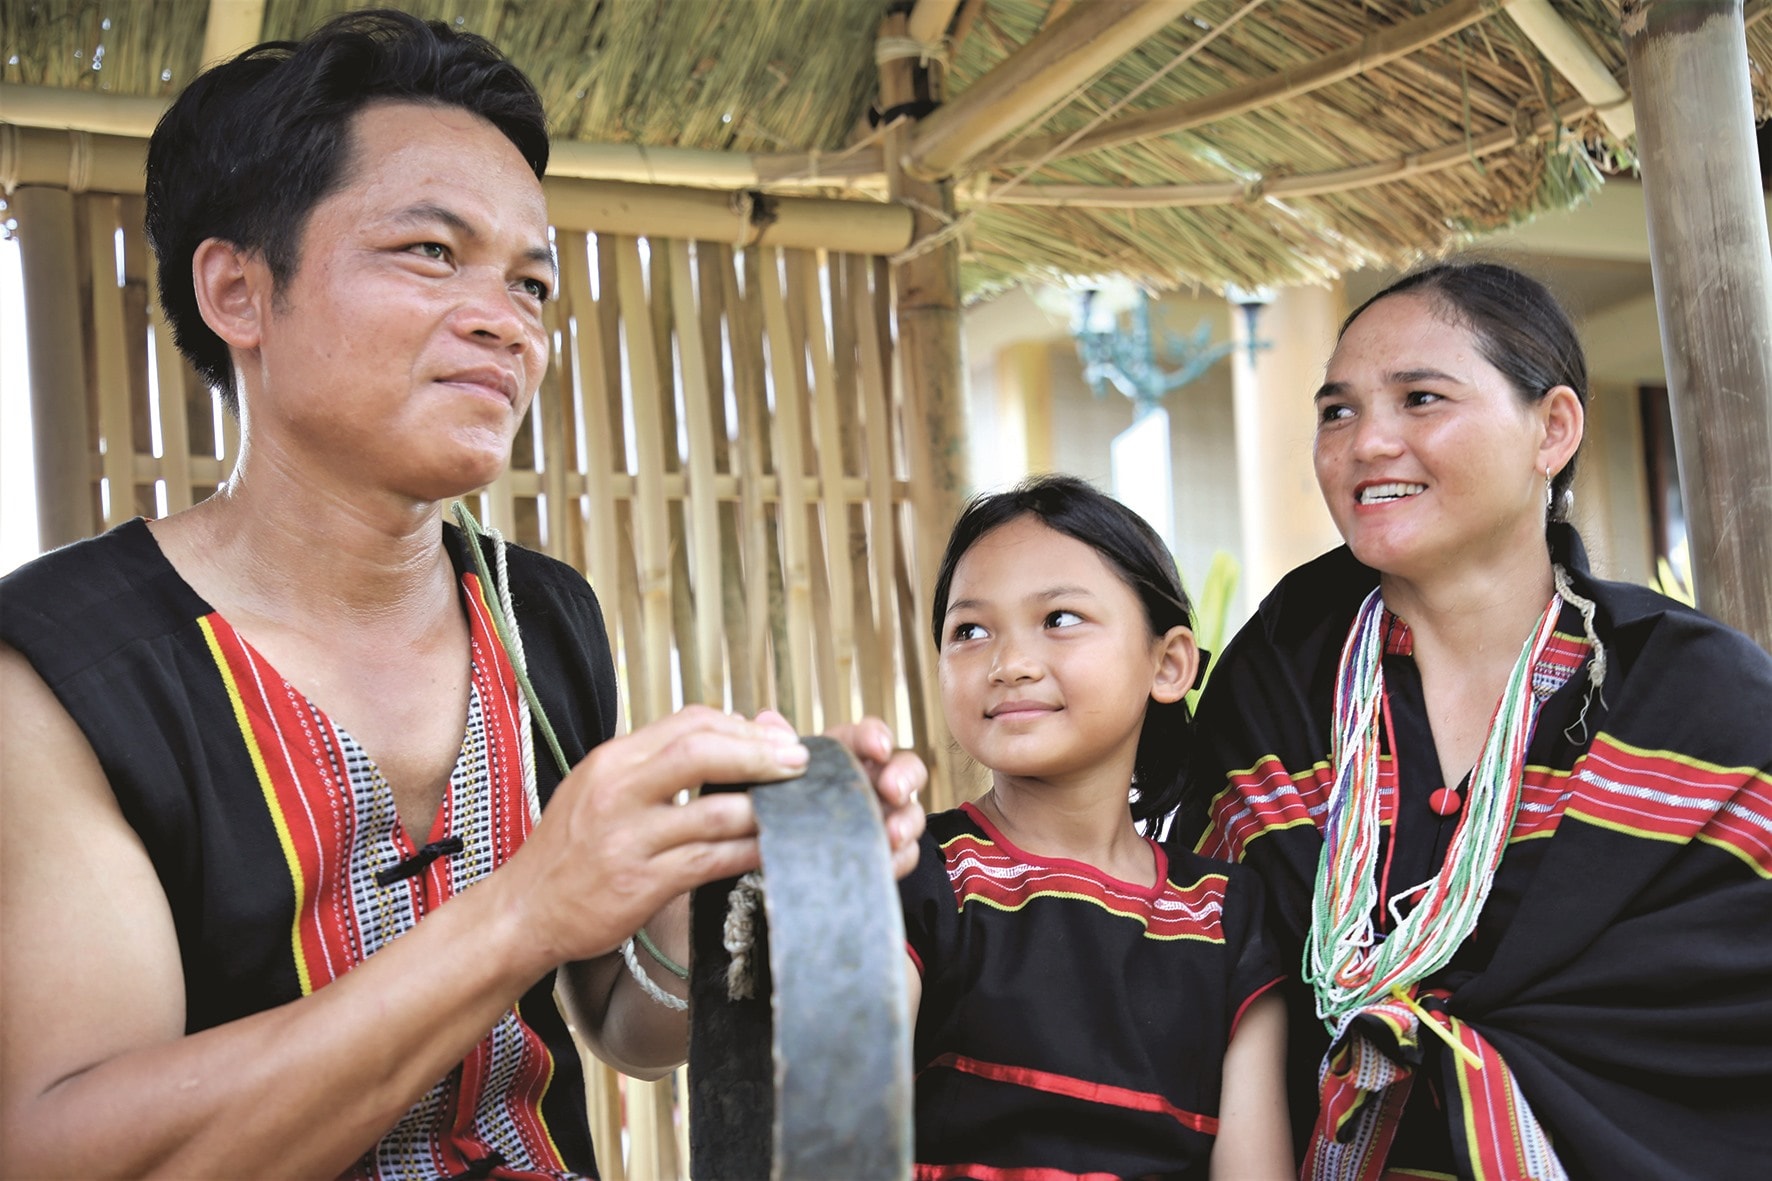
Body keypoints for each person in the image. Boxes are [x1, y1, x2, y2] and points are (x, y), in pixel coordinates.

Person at [0, 10, 925, 1179]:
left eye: (530, 282)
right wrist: (522, 910)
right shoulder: (61, 672)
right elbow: (64, 1154)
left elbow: (618, 1020)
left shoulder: (539, 615)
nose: (505, 321)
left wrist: (738, 875)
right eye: (430, 253)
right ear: (239, 291)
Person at [1173, 261, 1772, 1179]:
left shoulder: (1696, 699)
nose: (1368, 441)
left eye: (1420, 399)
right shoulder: (1277, 686)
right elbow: (1184, 953)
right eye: (1337, 411)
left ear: (1553, 429)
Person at [899, 475, 1293, 1180]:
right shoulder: (917, 872)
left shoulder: (1225, 915)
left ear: (1168, 662)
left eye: (1059, 619)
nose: (1009, 663)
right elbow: (839, 1124)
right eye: (970, 630)